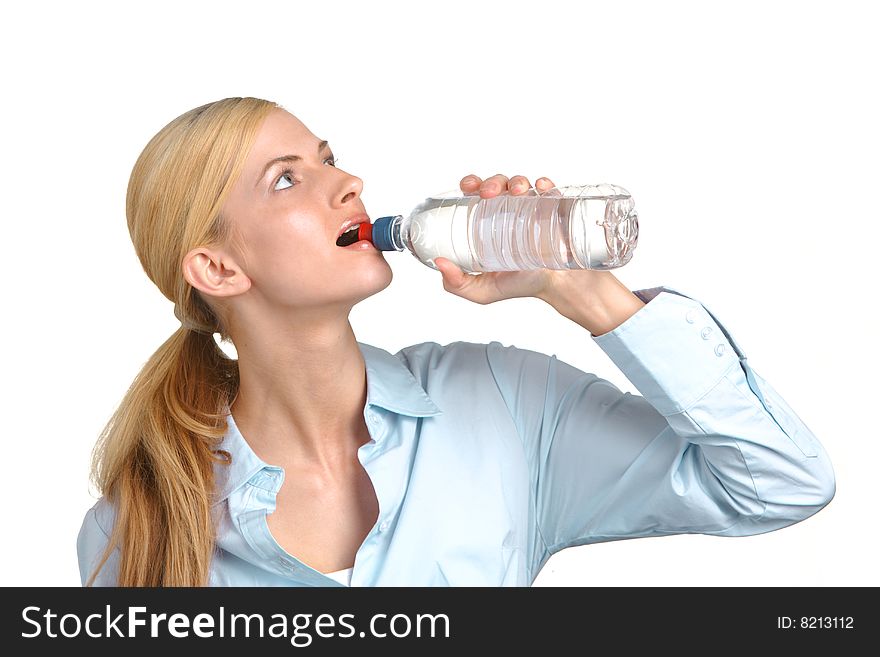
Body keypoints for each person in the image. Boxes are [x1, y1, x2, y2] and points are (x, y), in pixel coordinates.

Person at [77, 96, 836, 587]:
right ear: (217, 265)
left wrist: (584, 290)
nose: (350, 183)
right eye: (286, 179)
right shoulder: (137, 529)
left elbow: (778, 481)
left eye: (329, 158)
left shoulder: (501, 405)